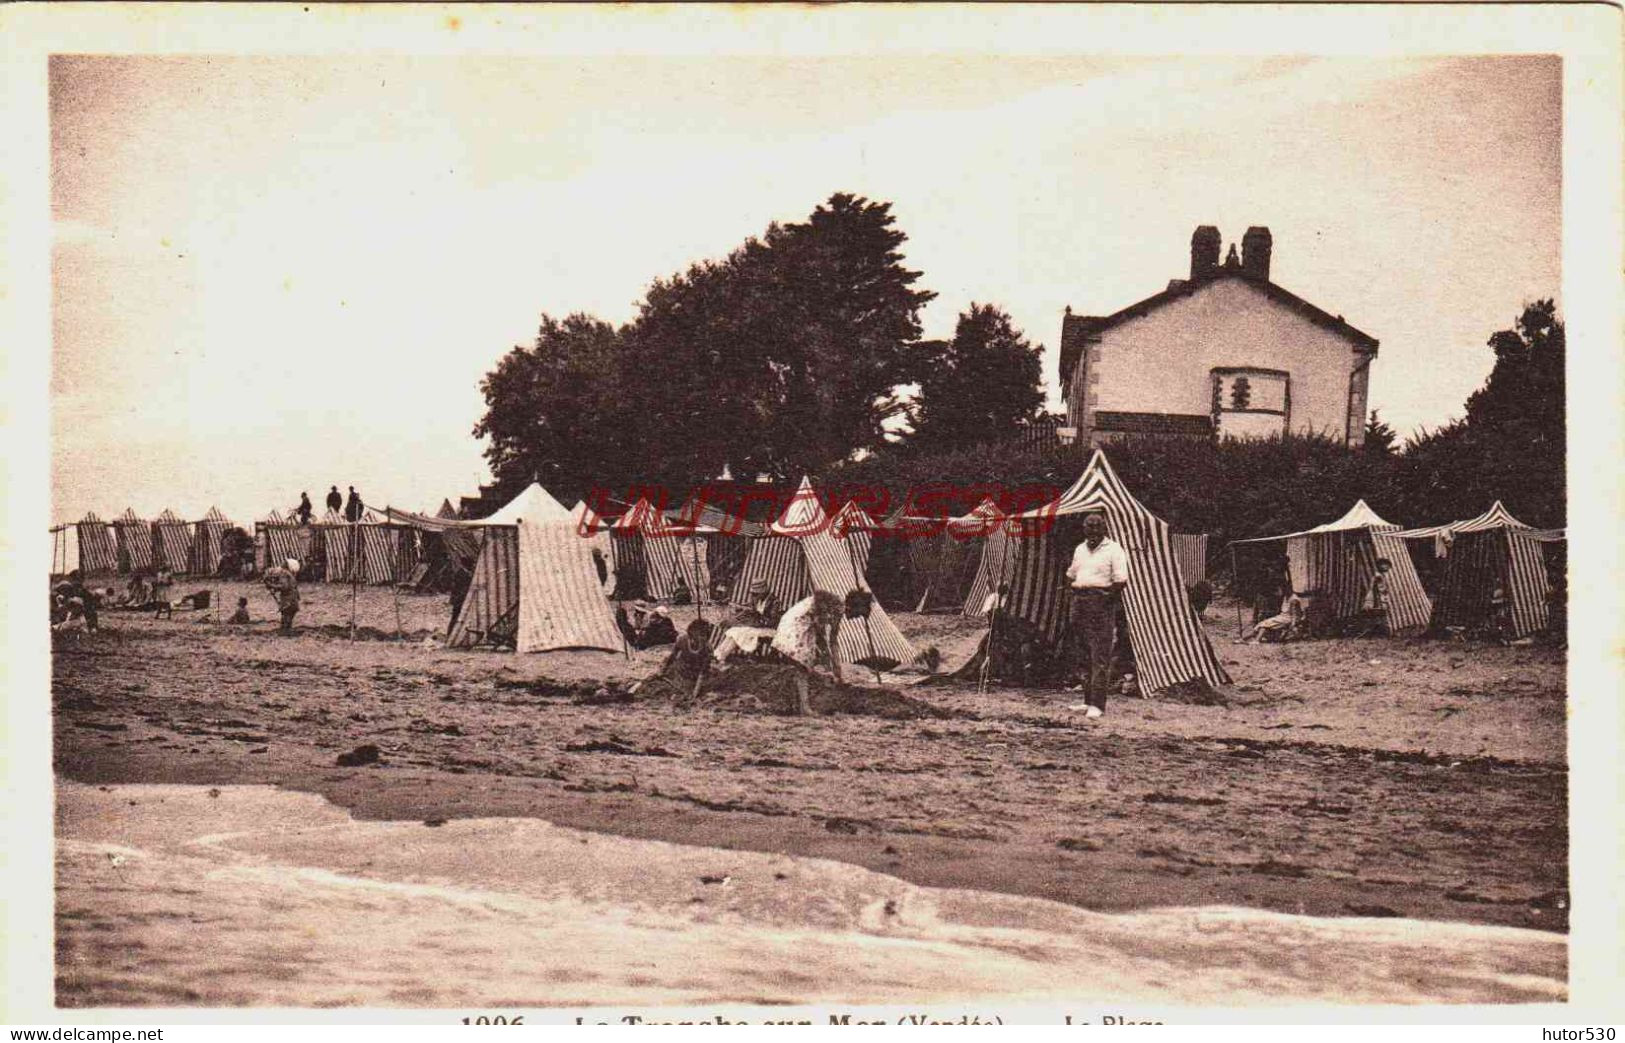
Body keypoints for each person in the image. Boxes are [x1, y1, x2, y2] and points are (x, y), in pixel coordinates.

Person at [1063, 512, 1128, 719]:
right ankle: (1087, 701)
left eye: (1096, 526)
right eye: (1088, 526)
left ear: (1104, 529)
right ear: (1084, 529)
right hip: (1079, 601)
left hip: (1100, 601)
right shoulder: (1080, 549)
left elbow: (1120, 581)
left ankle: (1098, 705)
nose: (1092, 530)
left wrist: (1104, 601)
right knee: (1082, 653)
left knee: (1099, 654)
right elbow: (1071, 574)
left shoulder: (1114, 550)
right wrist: (1074, 593)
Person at [770, 589, 845, 715]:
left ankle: (799, 706)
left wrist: (837, 670)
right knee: (803, 669)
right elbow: (824, 639)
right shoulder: (832, 608)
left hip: (795, 627)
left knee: (802, 668)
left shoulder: (834, 605)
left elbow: (832, 640)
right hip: (795, 628)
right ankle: (804, 708)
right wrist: (831, 668)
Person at [635, 618, 716, 703]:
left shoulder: (707, 649)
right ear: (692, 634)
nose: (703, 638)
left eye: (705, 636)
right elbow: (672, 657)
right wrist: (662, 671)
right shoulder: (682, 640)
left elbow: (702, 673)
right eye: (700, 635)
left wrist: (694, 693)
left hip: (694, 676)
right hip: (679, 671)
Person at [264, 558, 301, 634]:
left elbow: (284, 586)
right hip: (293, 600)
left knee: (285, 618)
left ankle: (285, 633)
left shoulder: (284, 573)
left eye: (284, 563)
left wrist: (271, 585)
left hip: (288, 601)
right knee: (288, 619)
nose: (282, 563)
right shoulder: (291, 575)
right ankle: (287, 632)